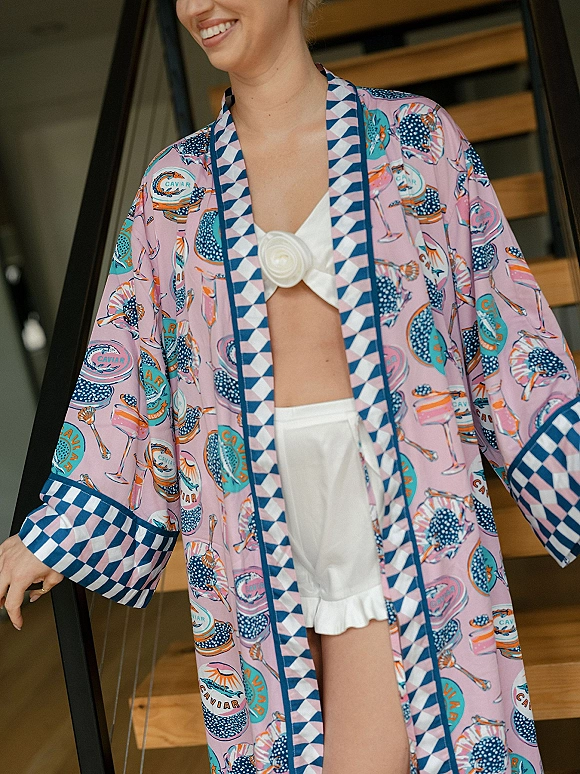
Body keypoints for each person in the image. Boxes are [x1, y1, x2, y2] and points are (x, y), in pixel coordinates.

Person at [1, 0, 579, 771]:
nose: (198, 7)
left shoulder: (414, 137)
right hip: (244, 531)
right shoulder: (172, 187)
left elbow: (504, 324)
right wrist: (61, 529)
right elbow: (130, 367)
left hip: (395, 509)